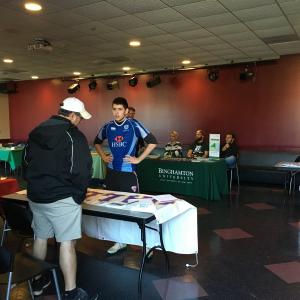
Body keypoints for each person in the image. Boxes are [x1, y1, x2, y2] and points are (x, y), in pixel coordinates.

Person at [24, 97, 98, 300]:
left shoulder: (37, 130)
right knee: (66, 242)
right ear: (72, 115)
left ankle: (37, 282)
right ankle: (71, 292)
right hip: (63, 197)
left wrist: (33, 185)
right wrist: (78, 195)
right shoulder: (73, 135)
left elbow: (25, 161)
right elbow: (83, 169)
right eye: (80, 117)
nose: (81, 121)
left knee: (40, 237)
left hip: (36, 195)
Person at [94, 97, 157, 255]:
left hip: (128, 173)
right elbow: (96, 141)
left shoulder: (134, 125)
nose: (116, 112)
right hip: (112, 173)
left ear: (126, 110)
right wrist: (102, 156)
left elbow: (153, 141)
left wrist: (139, 159)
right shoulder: (108, 126)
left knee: (134, 209)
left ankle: (147, 244)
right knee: (115, 208)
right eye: (114, 109)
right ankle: (120, 241)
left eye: (120, 109)